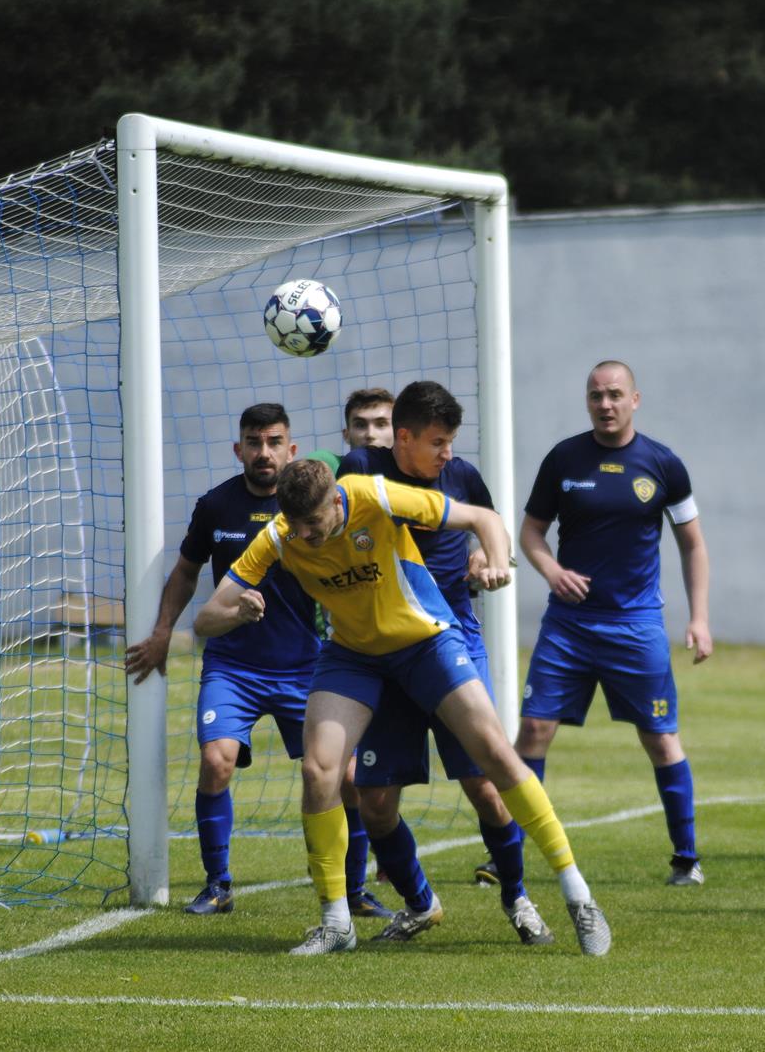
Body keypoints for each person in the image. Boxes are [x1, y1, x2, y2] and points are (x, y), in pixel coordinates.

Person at [197, 459, 611, 956]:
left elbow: (483, 519)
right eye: (295, 523)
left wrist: (497, 560)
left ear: (335, 502)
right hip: (354, 657)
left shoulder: (374, 496)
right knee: (319, 770)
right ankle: (336, 922)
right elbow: (206, 618)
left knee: (495, 754)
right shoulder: (280, 535)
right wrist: (236, 611)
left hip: (426, 643)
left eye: (314, 524)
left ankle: (578, 895)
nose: (305, 536)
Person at [123, 404, 389, 918]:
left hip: (308, 667)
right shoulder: (216, 506)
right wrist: (162, 634)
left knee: (349, 776)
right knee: (216, 760)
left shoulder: (317, 508)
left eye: (273, 442)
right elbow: (184, 573)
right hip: (233, 667)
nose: (263, 452)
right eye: (253, 442)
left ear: (292, 449)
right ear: (238, 449)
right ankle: (218, 884)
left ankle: (353, 891)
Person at [339, 381, 553, 946]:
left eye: (451, 441)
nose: (448, 453)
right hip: (383, 651)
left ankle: (518, 897)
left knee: (484, 784)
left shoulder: (461, 476)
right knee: (375, 802)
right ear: (402, 438)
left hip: (450, 641)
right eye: (438, 441)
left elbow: (490, 526)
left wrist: (487, 555)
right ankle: (419, 903)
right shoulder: (361, 468)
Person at [516, 360, 713, 886]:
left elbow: (692, 543)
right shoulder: (563, 458)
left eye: (615, 395)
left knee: (660, 737)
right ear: (587, 401)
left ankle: (686, 859)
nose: (605, 404)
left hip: (635, 626)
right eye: (596, 395)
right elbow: (530, 532)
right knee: (533, 729)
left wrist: (699, 618)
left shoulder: (663, 465)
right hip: (569, 627)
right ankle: (506, 855)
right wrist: (552, 571)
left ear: (635, 399)